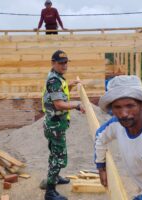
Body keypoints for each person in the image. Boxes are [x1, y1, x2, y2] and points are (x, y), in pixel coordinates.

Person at [42, 50, 85, 200]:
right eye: (61, 63)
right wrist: (77, 105)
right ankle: (50, 191)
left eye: (66, 62)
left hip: (53, 124)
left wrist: (71, 85)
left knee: (54, 153)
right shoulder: (54, 81)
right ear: (53, 63)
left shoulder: (56, 78)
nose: (64, 65)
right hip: (55, 125)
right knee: (59, 157)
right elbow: (59, 104)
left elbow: (60, 93)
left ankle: (54, 177)